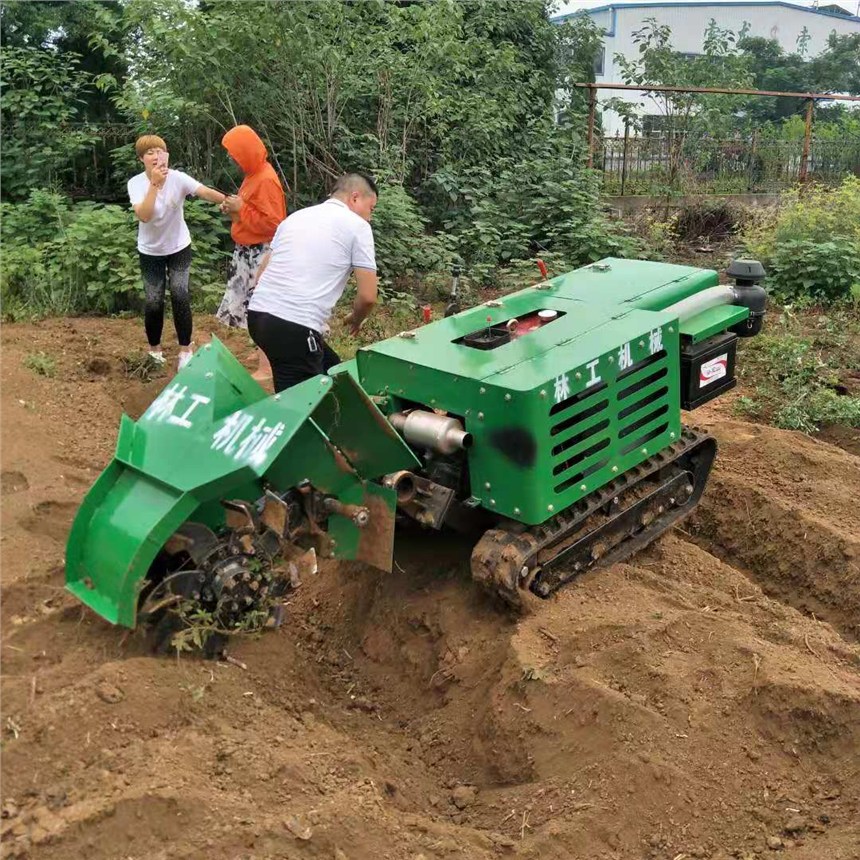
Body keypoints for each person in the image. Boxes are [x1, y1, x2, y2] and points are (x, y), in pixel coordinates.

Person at [247, 173, 379, 393]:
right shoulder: (357, 226)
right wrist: (356, 319)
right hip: (294, 327)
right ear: (355, 198)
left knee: (334, 373)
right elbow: (368, 297)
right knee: (303, 404)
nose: (369, 217)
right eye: (371, 208)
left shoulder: (296, 217)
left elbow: (262, 276)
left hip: (257, 316)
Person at [128, 135, 226, 371]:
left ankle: (185, 350)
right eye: (149, 152)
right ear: (142, 158)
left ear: (166, 155)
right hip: (150, 250)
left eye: (159, 151)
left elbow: (204, 192)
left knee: (180, 294)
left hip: (179, 247)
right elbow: (144, 215)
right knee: (153, 301)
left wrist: (229, 202)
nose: (155, 156)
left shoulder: (178, 178)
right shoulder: (136, 183)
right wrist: (154, 184)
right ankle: (155, 351)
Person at [216, 124, 286, 381]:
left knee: (261, 307)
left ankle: (267, 367)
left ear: (247, 151)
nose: (233, 159)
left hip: (261, 253)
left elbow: (274, 224)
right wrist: (234, 208)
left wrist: (241, 208)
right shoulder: (252, 175)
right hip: (247, 252)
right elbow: (250, 210)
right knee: (250, 306)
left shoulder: (266, 179)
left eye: (235, 154)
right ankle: (262, 351)